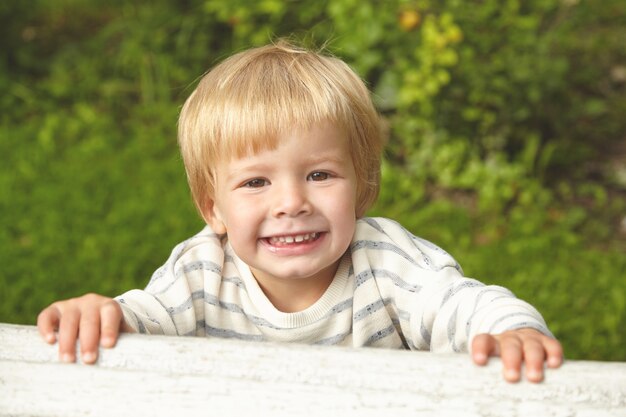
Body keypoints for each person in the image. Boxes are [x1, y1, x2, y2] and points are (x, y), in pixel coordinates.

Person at [37, 40, 563, 383]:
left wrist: (514, 331)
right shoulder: (202, 272)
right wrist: (105, 314)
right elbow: (143, 321)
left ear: (361, 187)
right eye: (256, 181)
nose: (291, 203)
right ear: (212, 209)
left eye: (320, 175)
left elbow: (462, 305)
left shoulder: (385, 262)